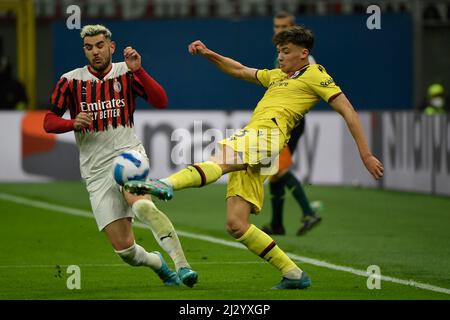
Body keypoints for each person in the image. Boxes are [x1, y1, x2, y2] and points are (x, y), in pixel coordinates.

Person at [125, 26, 384, 289]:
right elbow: (238, 69)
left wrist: (365, 153)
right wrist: (207, 53)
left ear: (304, 53)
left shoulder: (316, 74)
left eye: (286, 51)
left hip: (267, 136)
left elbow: (348, 111)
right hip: (260, 142)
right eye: (279, 52)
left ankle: (166, 184)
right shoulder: (277, 76)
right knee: (236, 224)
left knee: (221, 158)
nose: (280, 57)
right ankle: (294, 274)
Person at [43, 24, 198, 288]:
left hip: (129, 153)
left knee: (142, 205)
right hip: (95, 169)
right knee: (126, 251)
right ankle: (157, 263)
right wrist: (72, 123)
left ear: (111, 47)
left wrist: (140, 70)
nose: (95, 52)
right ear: (85, 50)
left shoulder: (127, 72)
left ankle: (183, 266)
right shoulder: (70, 81)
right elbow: (48, 122)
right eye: (89, 48)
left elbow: (160, 101)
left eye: (100, 46)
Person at [262, 11, 322, 236]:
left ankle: (308, 212)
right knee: (275, 171)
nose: (279, 31)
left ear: (293, 27)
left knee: (278, 168)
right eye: (276, 27)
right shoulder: (280, 54)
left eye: (284, 27)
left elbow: (312, 91)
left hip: (291, 123)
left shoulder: (305, 61)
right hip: (280, 122)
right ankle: (277, 223)